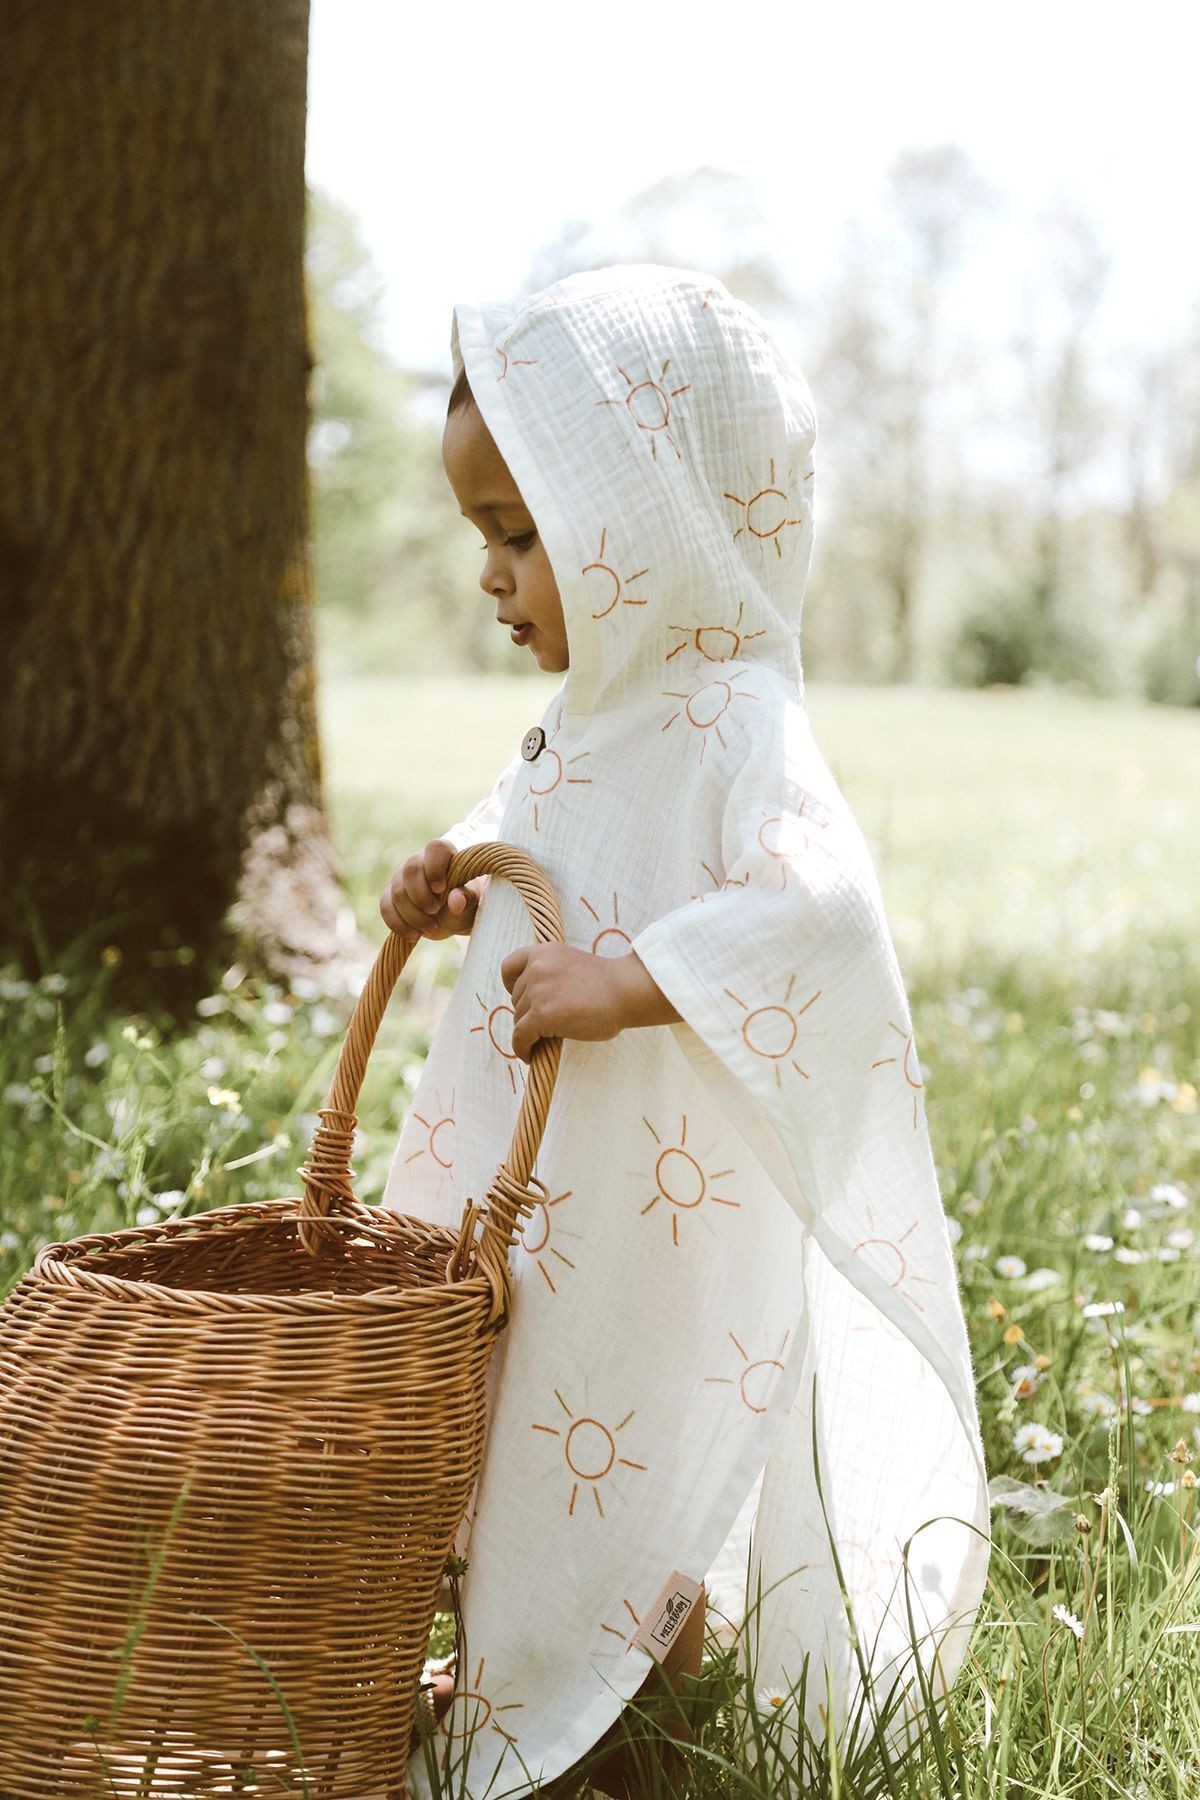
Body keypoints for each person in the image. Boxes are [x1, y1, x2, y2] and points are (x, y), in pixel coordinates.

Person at [379, 264, 991, 1799]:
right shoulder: (592, 715)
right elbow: (548, 831)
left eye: (521, 536)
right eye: (483, 539)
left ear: (640, 523)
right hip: (539, 1182)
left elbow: (819, 913)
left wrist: (632, 980)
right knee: (505, 1401)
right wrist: (458, 876)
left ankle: (606, 1668)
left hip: (655, 1197)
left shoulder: (735, 719)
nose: (494, 579)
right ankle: (533, 1651)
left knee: (620, 1409)